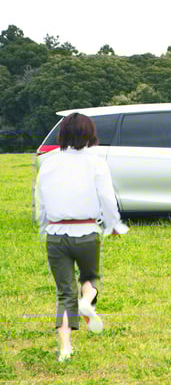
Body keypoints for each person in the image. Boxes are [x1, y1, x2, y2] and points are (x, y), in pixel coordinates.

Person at [34, 112, 129, 362]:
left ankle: (65, 348)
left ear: (62, 133)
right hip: (86, 232)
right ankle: (86, 301)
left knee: (64, 293)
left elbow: (40, 200)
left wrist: (44, 228)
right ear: (90, 134)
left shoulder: (48, 162)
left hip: (56, 234)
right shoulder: (96, 163)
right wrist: (114, 225)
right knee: (89, 279)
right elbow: (107, 198)